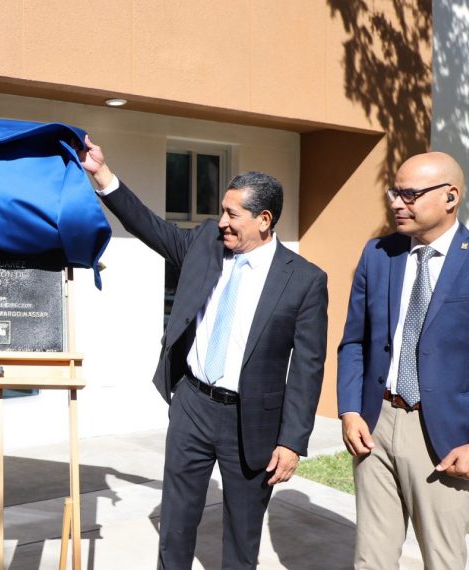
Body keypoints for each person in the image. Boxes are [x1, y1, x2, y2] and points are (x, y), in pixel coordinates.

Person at [79, 137, 328, 569]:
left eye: (233, 214)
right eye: (222, 211)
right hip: (192, 404)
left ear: (264, 220)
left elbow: (308, 367)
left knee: (242, 534)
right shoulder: (205, 245)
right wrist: (102, 174)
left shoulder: (305, 280)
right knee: (175, 523)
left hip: (251, 420)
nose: (221, 222)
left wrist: (292, 441)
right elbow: (150, 226)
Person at [337, 151, 469, 569]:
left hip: (446, 437)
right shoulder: (378, 254)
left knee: (442, 560)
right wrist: (350, 410)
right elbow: (354, 342)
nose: (397, 203)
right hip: (376, 423)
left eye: (409, 194)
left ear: (450, 196)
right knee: (370, 559)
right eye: (394, 192)